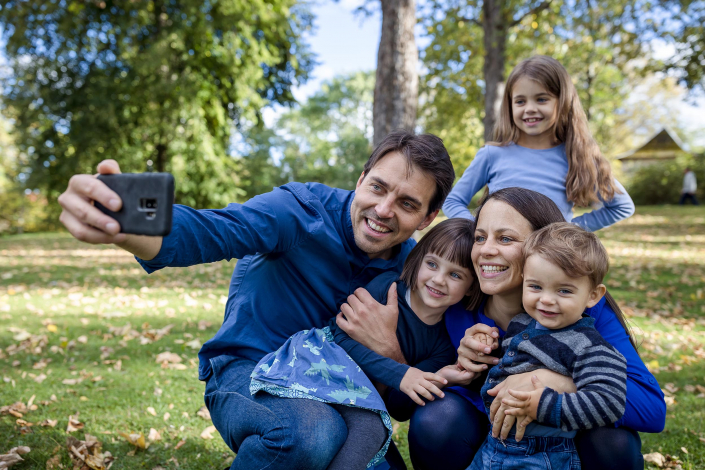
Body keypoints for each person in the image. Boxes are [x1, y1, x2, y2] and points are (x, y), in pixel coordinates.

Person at [56, 130, 456, 470]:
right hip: (249, 371)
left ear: (426, 218)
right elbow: (214, 230)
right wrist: (125, 220)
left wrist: (390, 352)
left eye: (407, 204)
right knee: (312, 433)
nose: (383, 210)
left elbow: (403, 402)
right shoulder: (300, 212)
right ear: (361, 177)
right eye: (378, 187)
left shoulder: (416, 273)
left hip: (339, 396)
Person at [405, 188, 665, 470]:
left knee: (613, 441)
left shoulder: (584, 311)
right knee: (435, 420)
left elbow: (652, 409)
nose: (486, 250)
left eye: (505, 238)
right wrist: (466, 371)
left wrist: (553, 380)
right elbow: (409, 388)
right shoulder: (458, 304)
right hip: (490, 439)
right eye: (480, 237)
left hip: (563, 436)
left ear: (543, 246)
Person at [250, 218, 480, 469]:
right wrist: (401, 373)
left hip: (357, 396)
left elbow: (398, 407)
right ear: (418, 260)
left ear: (471, 287)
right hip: (319, 362)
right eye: (432, 264)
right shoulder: (388, 288)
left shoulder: (443, 346)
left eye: (455, 274)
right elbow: (341, 338)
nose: (438, 279)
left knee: (380, 447)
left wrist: (440, 377)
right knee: (370, 431)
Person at [469, 222, 628, 470]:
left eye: (564, 290)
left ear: (593, 295)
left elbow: (609, 402)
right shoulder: (521, 323)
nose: (546, 299)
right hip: (493, 446)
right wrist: (487, 348)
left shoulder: (588, 346)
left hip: (544, 454)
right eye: (535, 286)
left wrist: (541, 405)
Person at [442, 55, 635, 232]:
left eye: (542, 99)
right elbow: (453, 201)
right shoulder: (492, 154)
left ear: (563, 102)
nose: (530, 109)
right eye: (520, 101)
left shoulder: (577, 157)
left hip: (550, 266)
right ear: (509, 106)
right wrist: (480, 231)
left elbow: (621, 206)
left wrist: (568, 230)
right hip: (495, 262)